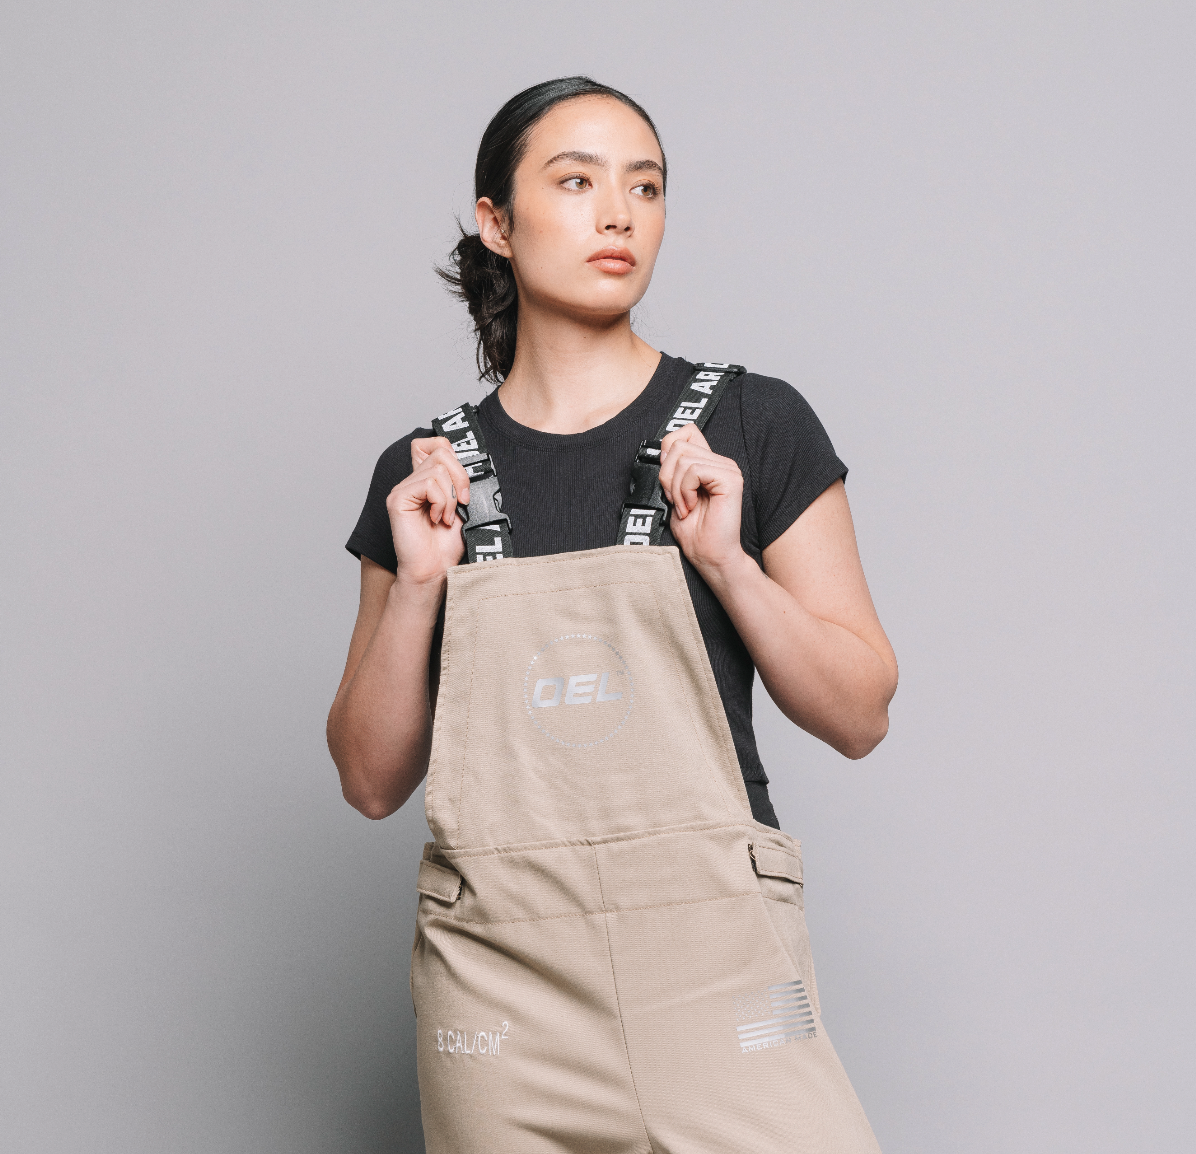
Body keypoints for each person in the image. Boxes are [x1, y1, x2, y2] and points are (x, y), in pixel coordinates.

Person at [328, 77, 897, 1154]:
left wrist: (726, 563)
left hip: (720, 962)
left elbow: (860, 712)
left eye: (645, 186)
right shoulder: (427, 473)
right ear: (496, 222)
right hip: (501, 991)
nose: (618, 214)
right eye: (575, 181)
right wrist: (418, 587)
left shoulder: (751, 423)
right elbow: (369, 779)